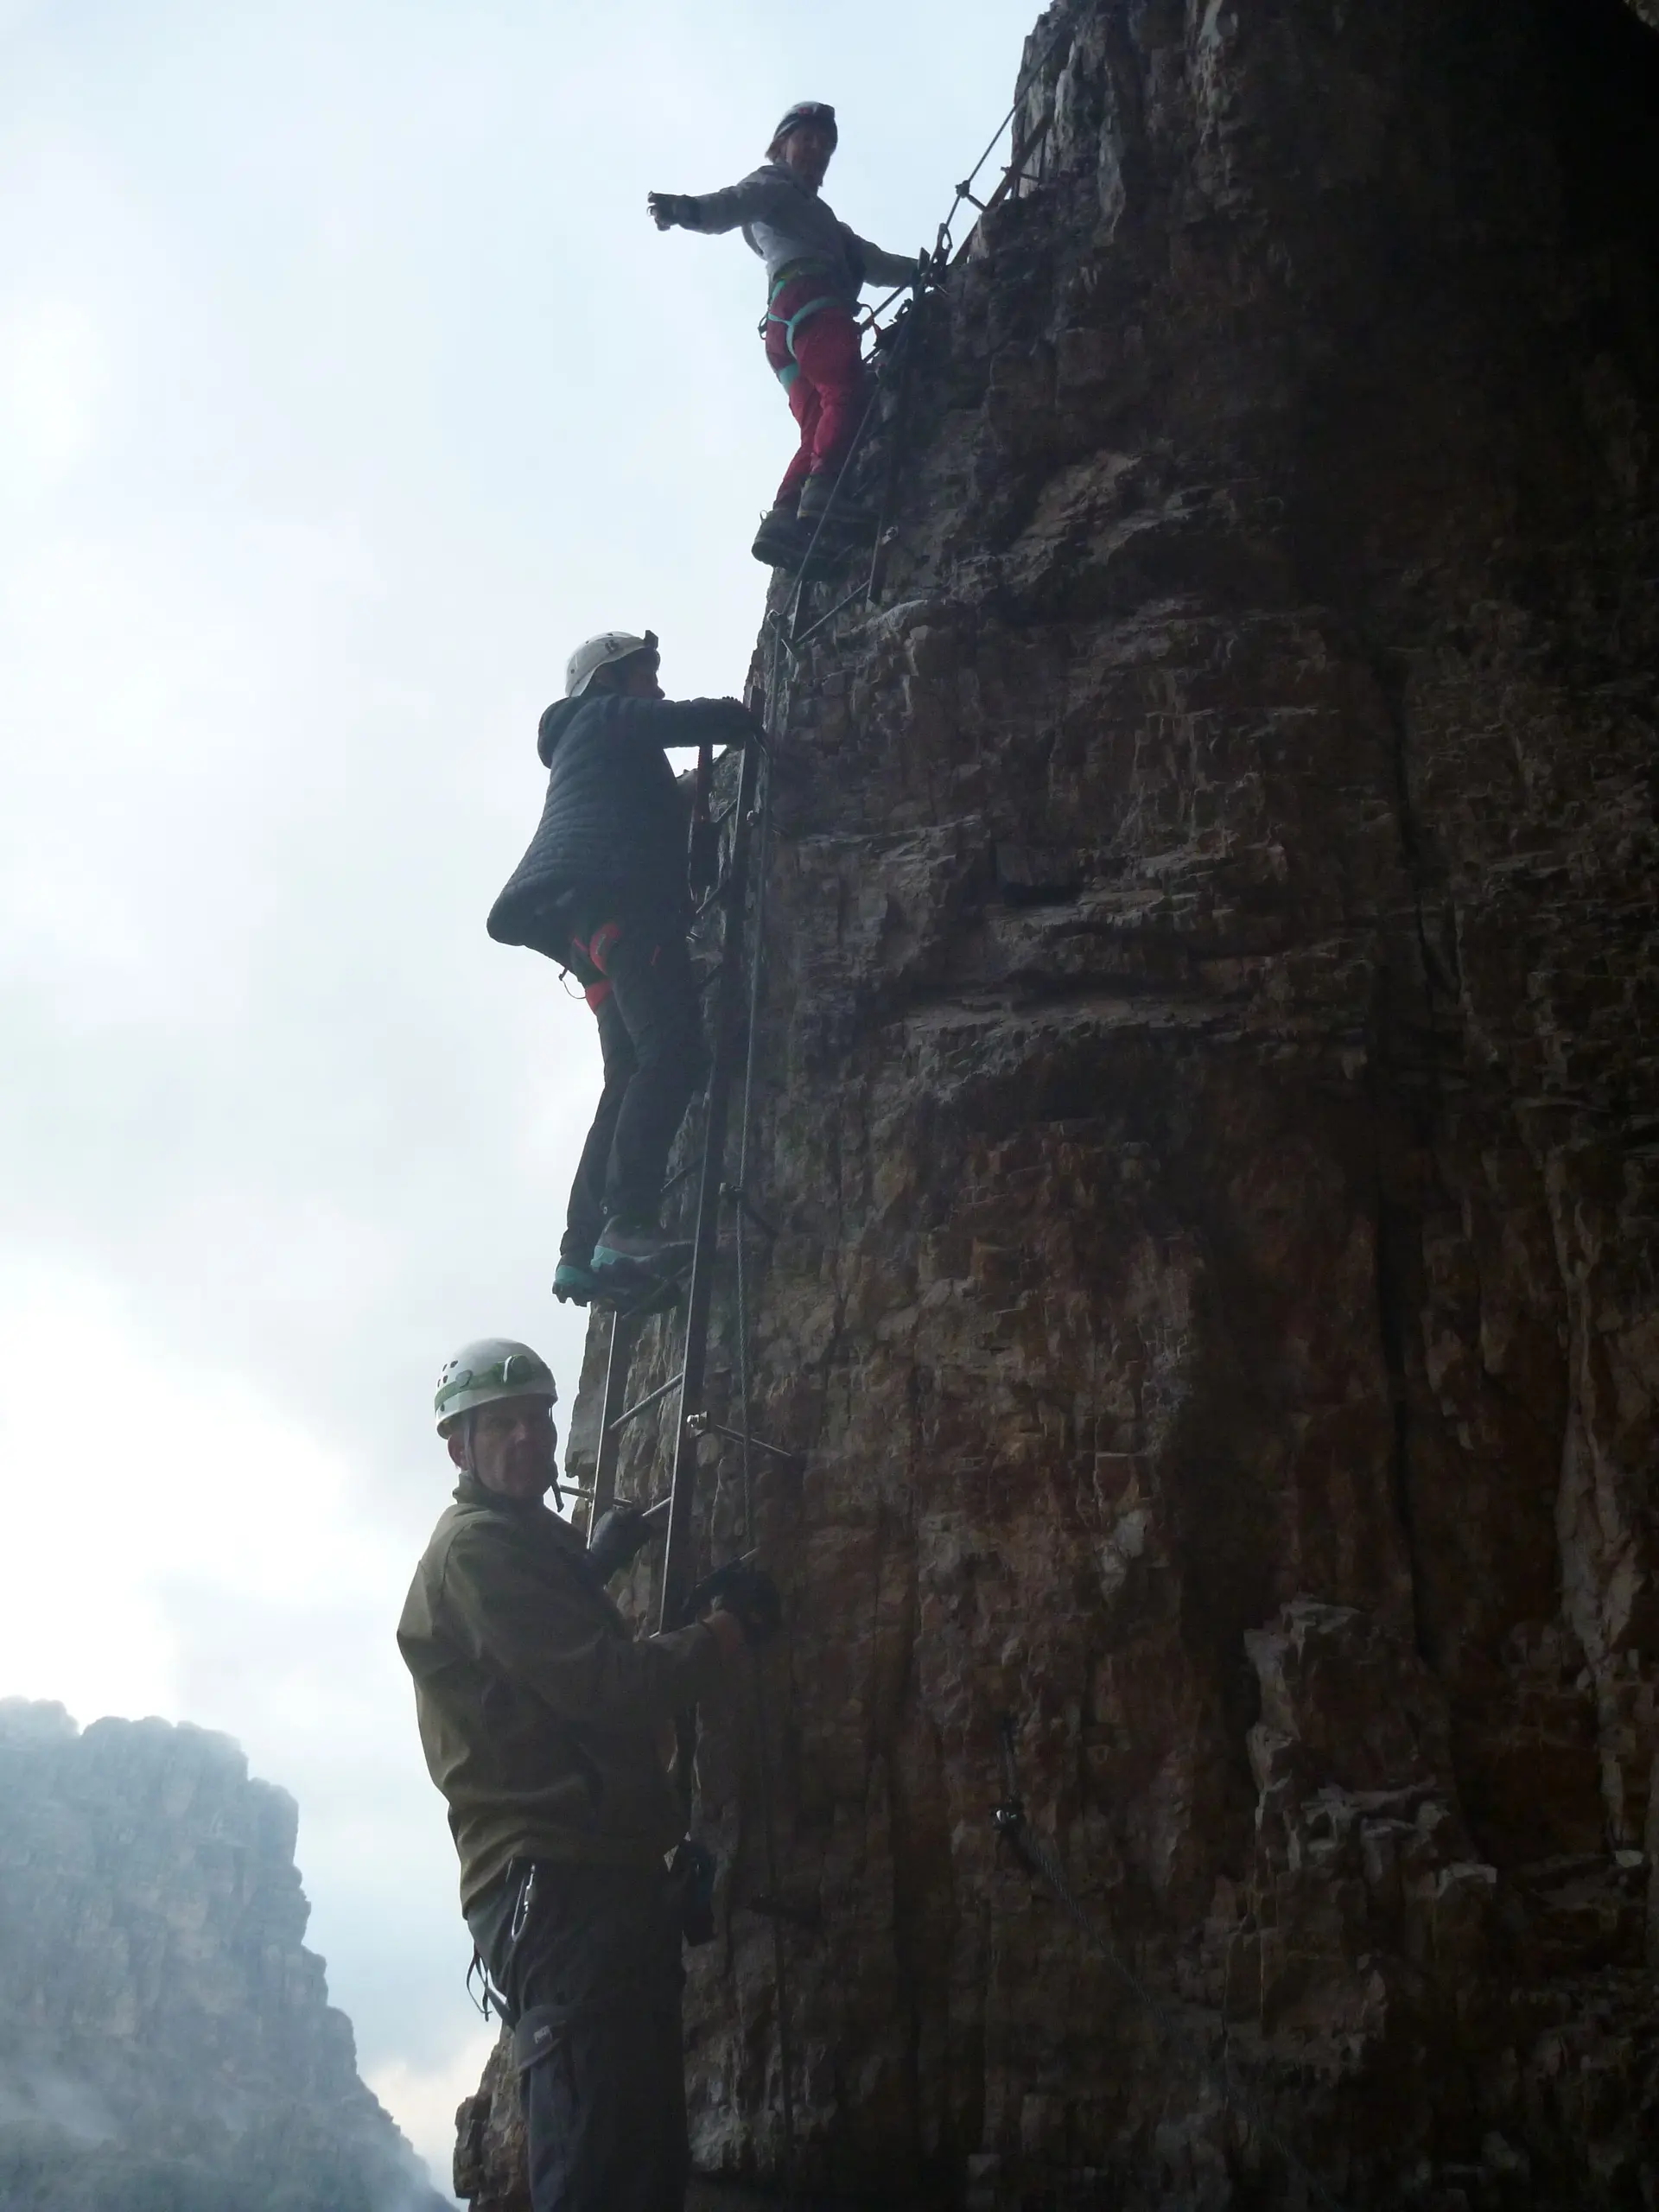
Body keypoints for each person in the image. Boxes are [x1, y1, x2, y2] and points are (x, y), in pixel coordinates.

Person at [398, 1338, 781, 2212]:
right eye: (499, 1425)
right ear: (457, 1445)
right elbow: (602, 1686)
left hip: (594, 1873)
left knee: (638, 2152)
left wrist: (596, 1561)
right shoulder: (475, 1550)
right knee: (602, 2156)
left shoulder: (520, 1538)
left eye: (535, 1419)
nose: (525, 1439)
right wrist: (726, 1633)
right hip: (558, 1876)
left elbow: (531, 1646)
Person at [486, 630, 755, 1303]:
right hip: (625, 912)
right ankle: (629, 1224)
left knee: (629, 1073)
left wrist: (692, 792)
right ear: (608, 680)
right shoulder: (602, 716)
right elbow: (690, 720)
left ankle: (579, 1250)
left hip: (583, 933)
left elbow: (643, 804)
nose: (655, 687)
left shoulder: (588, 751)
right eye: (644, 674)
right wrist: (741, 715)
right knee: (675, 1056)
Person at [648, 101, 918, 571]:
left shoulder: (824, 222)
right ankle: (824, 494)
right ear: (781, 146)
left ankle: (782, 519)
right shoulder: (775, 186)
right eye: (807, 139)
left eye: (824, 146)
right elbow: (731, 203)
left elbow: (874, 261)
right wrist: (686, 210)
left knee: (815, 424)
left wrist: (919, 271)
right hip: (811, 301)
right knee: (846, 390)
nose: (817, 150)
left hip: (783, 329)